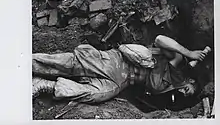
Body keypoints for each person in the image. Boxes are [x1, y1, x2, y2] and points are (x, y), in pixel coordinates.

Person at [32, 35, 208, 103]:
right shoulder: (177, 65)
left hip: (120, 82)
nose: (186, 93)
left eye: (188, 96)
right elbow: (160, 39)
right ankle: (24, 63)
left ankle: (45, 85)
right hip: (118, 62)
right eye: (191, 91)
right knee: (69, 64)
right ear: (191, 81)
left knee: (96, 95)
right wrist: (189, 53)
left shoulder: (168, 90)